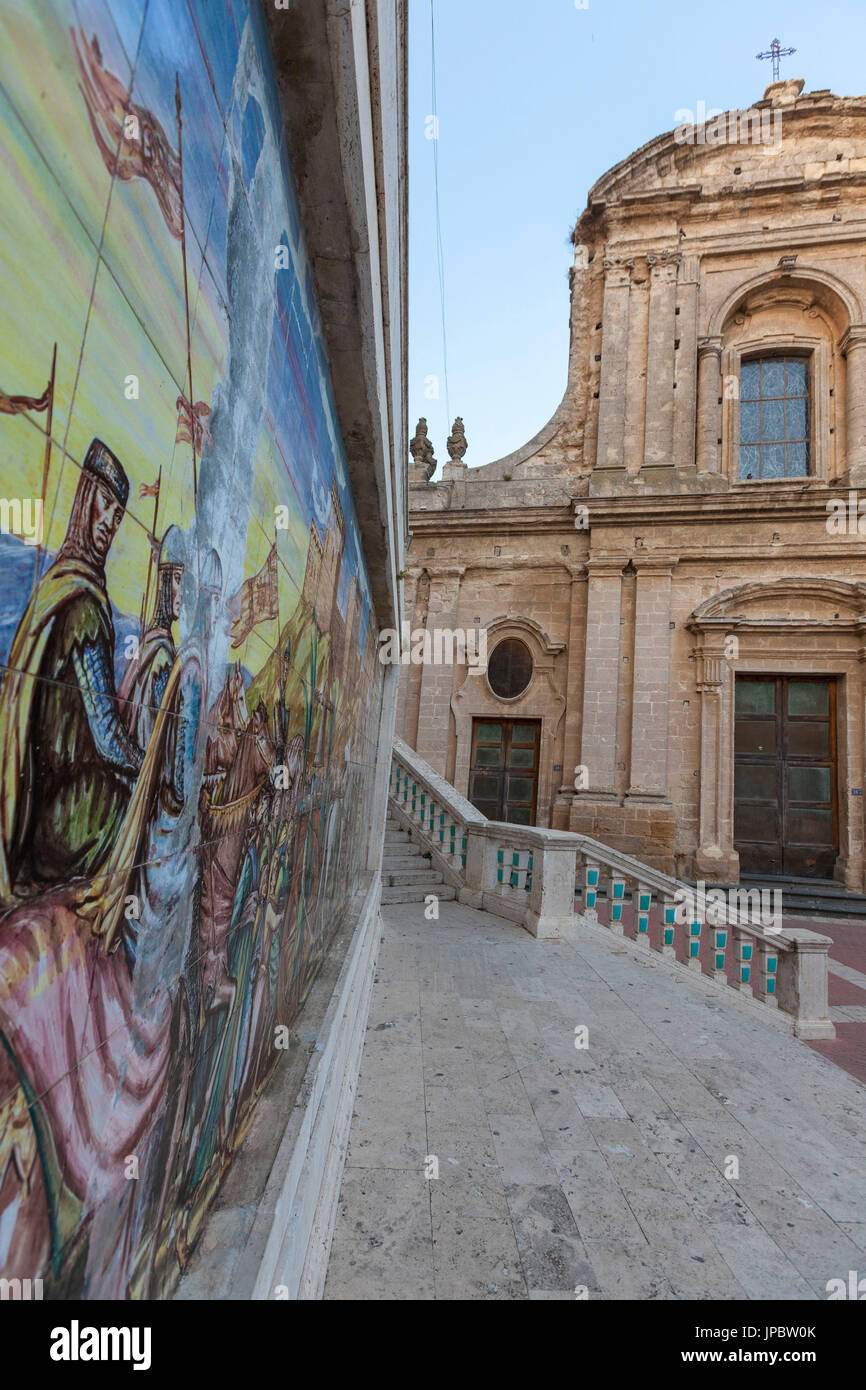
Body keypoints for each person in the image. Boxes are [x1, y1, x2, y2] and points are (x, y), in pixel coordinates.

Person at [0, 438, 143, 904]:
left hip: (33, 809)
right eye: (103, 504)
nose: (109, 523)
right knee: (132, 802)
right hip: (59, 816)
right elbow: (105, 736)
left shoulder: (55, 585)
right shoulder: (82, 605)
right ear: (84, 500)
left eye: (118, 516)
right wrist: (146, 763)